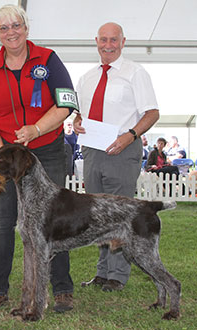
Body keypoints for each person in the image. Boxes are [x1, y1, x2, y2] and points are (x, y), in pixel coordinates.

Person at [0, 4, 77, 313]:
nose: (11, 32)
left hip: (47, 148)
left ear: (26, 28)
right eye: (4, 28)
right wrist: (2, 152)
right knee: (1, 221)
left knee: (54, 221)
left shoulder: (48, 59)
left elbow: (66, 102)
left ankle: (62, 290)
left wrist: (36, 128)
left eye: (16, 25)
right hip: (4, 153)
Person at [74, 22, 159, 292]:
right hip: (92, 151)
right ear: (96, 41)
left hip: (122, 151)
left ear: (123, 42)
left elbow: (152, 112)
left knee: (121, 215)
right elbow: (80, 113)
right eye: (103, 40)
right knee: (97, 216)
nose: (108, 45)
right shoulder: (87, 77)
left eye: (114, 40)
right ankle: (102, 273)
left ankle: (117, 276)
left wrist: (130, 135)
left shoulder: (136, 73)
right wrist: (76, 121)